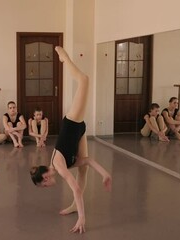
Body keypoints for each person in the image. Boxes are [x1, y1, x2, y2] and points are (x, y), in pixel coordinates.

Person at [29, 46, 112, 234]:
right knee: (83, 170)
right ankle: (75, 206)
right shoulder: (62, 168)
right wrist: (105, 173)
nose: (46, 187)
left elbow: (74, 187)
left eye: (43, 184)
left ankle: (64, 57)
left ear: (46, 176)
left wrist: (83, 219)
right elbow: (88, 161)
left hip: (72, 123)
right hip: (80, 131)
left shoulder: (59, 166)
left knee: (84, 80)